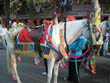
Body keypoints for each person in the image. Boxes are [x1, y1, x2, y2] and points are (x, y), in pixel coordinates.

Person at [64, 16, 87, 83]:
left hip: (76, 54)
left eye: (68, 21)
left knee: (75, 69)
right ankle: (70, 78)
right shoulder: (70, 30)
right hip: (70, 53)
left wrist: (77, 49)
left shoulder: (77, 30)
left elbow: (83, 40)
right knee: (71, 67)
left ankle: (76, 80)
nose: (67, 23)